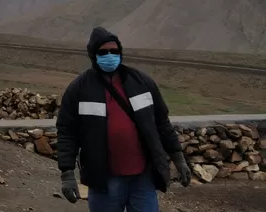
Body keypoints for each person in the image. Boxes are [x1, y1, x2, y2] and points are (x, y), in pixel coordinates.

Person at [56, 27, 191, 211]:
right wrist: (67, 173)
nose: (110, 55)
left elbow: (162, 123)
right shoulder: (79, 88)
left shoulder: (142, 82)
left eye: (114, 51)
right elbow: (67, 132)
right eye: (103, 52)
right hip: (103, 180)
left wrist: (179, 159)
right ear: (93, 55)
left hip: (142, 179)